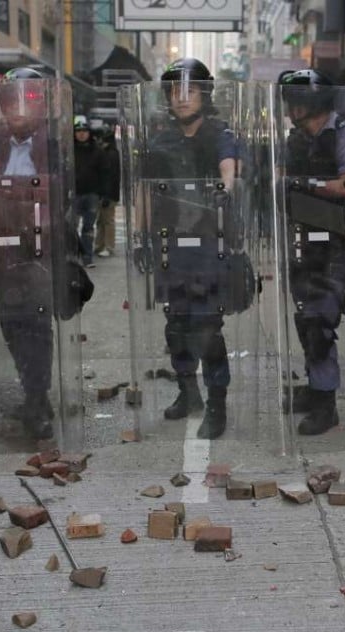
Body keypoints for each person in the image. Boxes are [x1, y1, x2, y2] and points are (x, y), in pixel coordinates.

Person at [0, 66, 76, 439]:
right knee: (10, 324)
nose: (17, 111)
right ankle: (31, 391)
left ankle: (37, 395)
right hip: (0, 248)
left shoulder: (53, 143)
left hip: (37, 251)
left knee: (36, 325)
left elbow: (62, 194)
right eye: (10, 103)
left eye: (24, 103)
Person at [137, 57, 237, 439]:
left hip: (210, 246)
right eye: (174, 91)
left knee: (207, 327)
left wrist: (226, 193)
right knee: (176, 325)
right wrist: (140, 237)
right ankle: (187, 393)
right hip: (171, 245)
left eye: (189, 90)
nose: (181, 98)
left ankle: (217, 405)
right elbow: (144, 191)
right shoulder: (160, 140)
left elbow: (230, 169)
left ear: (204, 94)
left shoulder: (219, 133)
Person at [279, 69, 345, 435]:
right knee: (303, 317)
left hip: (334, 242)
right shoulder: (296, 139)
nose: (291, 106)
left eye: (298, 98)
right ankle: (315, 387)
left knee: (320, 323)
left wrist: (304, 185)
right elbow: (276, 181)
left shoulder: (343, 133)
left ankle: (326, 404)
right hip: (300, 238)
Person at [73, 115, 105, 268]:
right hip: (74, 194)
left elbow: (104, 172)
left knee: (88, 228)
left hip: (92, 194)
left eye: (84, 131)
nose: (81, 134)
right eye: (78, 131)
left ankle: (87, 257)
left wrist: (103, 194)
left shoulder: (97, 151)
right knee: (71, 227)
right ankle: (73, 255)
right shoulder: (69, 150)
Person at [94, 124, 120, 258]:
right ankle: (99, 245)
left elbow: (110, 177)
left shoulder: (110, 154)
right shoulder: (109, 153)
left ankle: (108, 246)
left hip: (108, 193)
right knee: (101, 220)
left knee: (107, 220)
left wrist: (106, 195)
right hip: (105, 192)